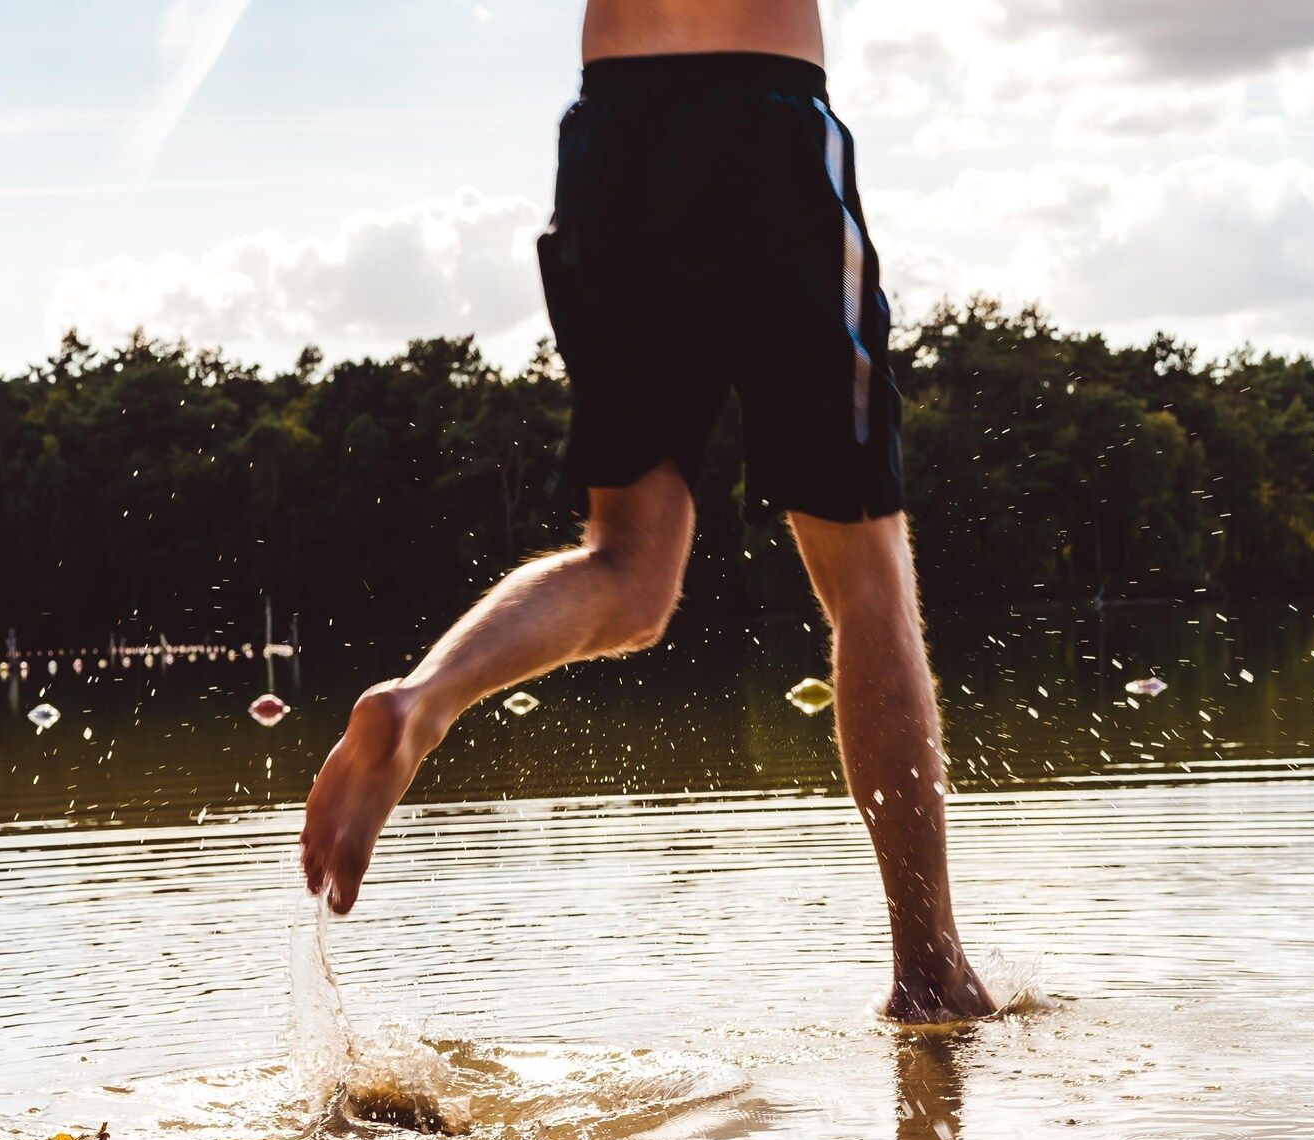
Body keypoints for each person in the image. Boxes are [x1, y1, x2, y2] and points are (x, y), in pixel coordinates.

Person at [300, 0, 994, 1022]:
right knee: (865, 578)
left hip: (612, 139)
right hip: (762, 121)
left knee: (625, 571)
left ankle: (424, 699)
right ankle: (928, 976)